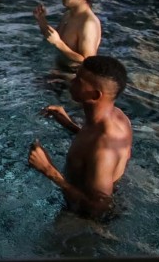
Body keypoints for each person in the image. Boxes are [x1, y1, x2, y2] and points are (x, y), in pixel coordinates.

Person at [28, 56, 133, 219]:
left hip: (84, 223)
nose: (72, 81)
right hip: (107, 192)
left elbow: (100, 209)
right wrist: (70, 125)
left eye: (79, 80)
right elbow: (94, 150)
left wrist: (48, 170)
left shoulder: (104, 147)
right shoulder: (118, 117)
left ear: (95, 95)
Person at [34, 0, 102, 69]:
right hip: (58, 69)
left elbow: (88, 62)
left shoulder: (88, 24)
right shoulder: (68, 14)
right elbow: (53, 38)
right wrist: (41, 20)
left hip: (71, 77)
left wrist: (58, 43)